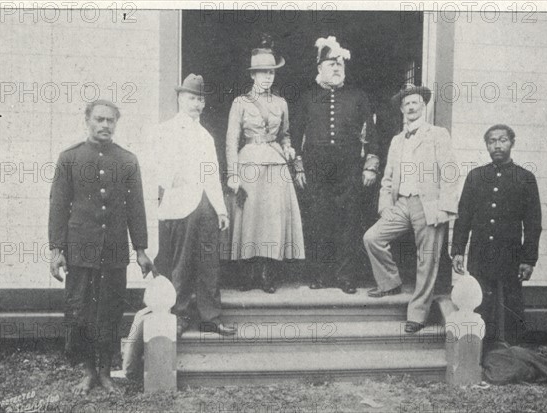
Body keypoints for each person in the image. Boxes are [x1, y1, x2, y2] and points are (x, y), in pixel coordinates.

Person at [49, 100, 155, 395]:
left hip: (113, 251)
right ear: (87, 121)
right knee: (79, 310)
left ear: (116, 124)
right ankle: (88, 372)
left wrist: (142, 250)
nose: (105, 125)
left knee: (110, 310)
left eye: (110, 120)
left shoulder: (127, 160)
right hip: (79, 249)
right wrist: (56, 251)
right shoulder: (69, 158)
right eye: (99, 119)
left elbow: (136, 207)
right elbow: (58, 207)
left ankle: (107, 372)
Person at [363, 83, 460, 333]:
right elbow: (387, 177)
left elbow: (450, 174)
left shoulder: (438, 134)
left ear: (423, 106)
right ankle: (390, 282)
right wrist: (385, 205)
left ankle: (417, 314)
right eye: (406, 104)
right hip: (402, 202)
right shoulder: (397, 140)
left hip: (429, 204)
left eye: (415, 102)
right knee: (372, 237)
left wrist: (444, 209)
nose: (411, 107)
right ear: (401, 110)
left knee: (426, 260)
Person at [293, 36, 380, 294]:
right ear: (319, 68)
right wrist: (298, 166)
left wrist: (370, 165)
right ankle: (320, 275)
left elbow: (372, 134)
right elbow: (295, 135)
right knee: (319, 221)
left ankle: (345, 277)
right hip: (316, 170)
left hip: (349, 169)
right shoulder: (307, 98)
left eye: (340, 63)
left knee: (348, 222)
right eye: (331, 63)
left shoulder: (358, 97)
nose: (336, 67)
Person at [153, 74, 236, 337]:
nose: (197, 105)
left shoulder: (205, 135)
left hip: (205, 206)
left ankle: (210, 316)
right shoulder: (165, 130)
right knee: (181, 262)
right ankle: (178, 315)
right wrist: (173, 178)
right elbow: (161, 172)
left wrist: (220, 209)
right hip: (179, 204)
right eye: (191, 98)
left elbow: (211, 174)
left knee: (209, 262)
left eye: (200, 99)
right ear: (180, 99)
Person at [226, 34, 305, 293]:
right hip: (249, 162)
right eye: (262, 72)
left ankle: (267, 274)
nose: (267, 77)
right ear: (252, 75)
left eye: (271, 72)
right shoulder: (240, 103)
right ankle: (247, 274)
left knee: (272, 220)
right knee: (249, 220)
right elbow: (230, 141)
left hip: (276, 165)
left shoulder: (281, 103)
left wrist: (288, 147)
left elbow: (285, 134)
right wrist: (232, 174)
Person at [451, 124, 542, 344]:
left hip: (510, 255)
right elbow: (463, 217)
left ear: (512, 143)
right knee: (480, 301)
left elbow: (533, 223)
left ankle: (512, 351)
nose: (497, 145)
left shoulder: (525, 178)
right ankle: (480, 351)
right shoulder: (476, 176)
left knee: (511, 303)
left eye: (502, 140)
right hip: (480, 252)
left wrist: (528, 259)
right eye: (492, 141)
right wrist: (457, 250)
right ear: (487, 145)